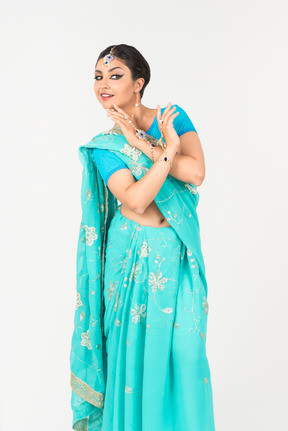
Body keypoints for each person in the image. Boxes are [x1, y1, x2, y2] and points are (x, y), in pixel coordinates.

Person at [69, 44, 216, 431]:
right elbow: (135, 199)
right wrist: (163, 151)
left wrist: (148, 144)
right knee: (135, 360)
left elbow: (196, 173)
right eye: (98, 76)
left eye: (115, 75)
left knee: (187, 353)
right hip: (131, 254)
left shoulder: (172, 116)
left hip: (177, 250)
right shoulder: (106, 145)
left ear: (139, 83)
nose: (104, 84)